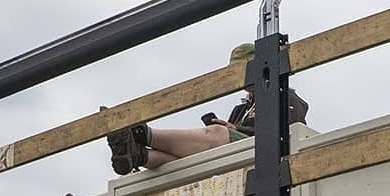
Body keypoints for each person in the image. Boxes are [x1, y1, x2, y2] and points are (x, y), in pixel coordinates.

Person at [107, 43, 310, 174]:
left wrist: (233, 130)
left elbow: (289, 131)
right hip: (235, 160)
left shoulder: (285, 96)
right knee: (191, 154)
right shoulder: (240, 109)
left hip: (266, 156)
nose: (240, 77)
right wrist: (233, 128)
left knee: (217, 133)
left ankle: (142, 134)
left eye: (243, 70)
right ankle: (139, 155)